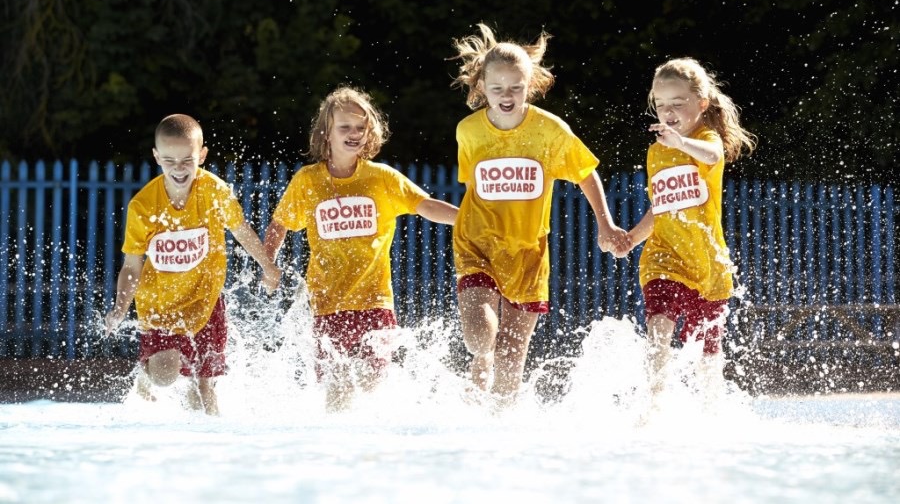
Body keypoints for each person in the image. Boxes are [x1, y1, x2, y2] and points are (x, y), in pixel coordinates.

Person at [449, 23, 629, 404]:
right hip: (477, 244)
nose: (507, 95)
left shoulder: (549, 131)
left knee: (511, 358)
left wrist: (606, 223)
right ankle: (480, 367)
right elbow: (472, 190)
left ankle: (497, 424)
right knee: (480, 336)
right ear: (482, 88)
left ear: (529, 84)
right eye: (497, 89)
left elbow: (585, 172)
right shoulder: (468, 131)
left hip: (528, 253)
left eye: (516, 87)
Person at [263, 86, 458, 412]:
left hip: (375, 303)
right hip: (326, 307)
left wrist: (467, 220)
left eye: (360, 127)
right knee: (337, 390)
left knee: (369, 380)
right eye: (345, 127)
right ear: (327, 132)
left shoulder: (380, 178)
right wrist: (269, 263)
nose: (354, 134)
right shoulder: (308, 181)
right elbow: (280, 224)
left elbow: (424, 204)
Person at [104, 114, 281, 415]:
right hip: (160, 305)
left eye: (187, 159)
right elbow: (132, 266)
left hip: (205, 299)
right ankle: (146, 378)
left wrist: (269, 266)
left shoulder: (214, 191)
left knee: (204, 384)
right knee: (165, 375)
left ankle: (208, 443)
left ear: (202, 155)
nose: (179, 168)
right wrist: (121, 308)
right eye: (169, 159)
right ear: (157, 157)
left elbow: (240, 230)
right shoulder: (143, 206)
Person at [622, 57, 756, 403]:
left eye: (678, 103)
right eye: (661, 104)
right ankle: (654, 404)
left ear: (701, 104)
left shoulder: (704, 138)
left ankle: (712, 410)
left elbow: (713, 155)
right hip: (663, 256)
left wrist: (681, 143)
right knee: (658, 327)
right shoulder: (656, 152)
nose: (668, 111)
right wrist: (633, 237)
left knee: (708, 352)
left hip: (706, 264)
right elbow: (662, 204)